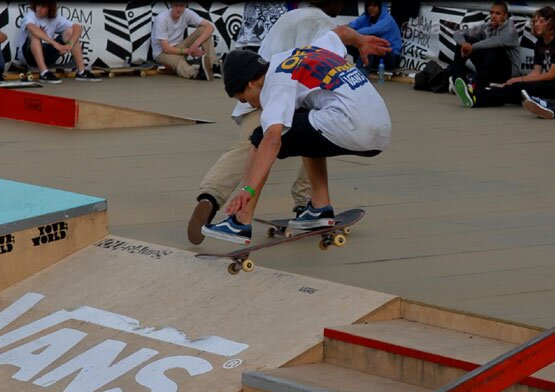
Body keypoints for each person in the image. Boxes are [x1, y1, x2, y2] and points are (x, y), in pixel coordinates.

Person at [186, 0, 386, 245]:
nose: (250, 104)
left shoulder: (277, 83)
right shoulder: (300, 54)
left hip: (350, 124)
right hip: (381, 128)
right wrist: (362, 41)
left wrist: (247, 191)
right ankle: (319, 207)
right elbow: (343, 33)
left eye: (243, 99)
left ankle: (240, 221)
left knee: (260, 139)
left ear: (250, 83)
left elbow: (271, 142)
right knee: (307, 124)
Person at [454, 6, 555, 108]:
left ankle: (477, 99)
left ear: (551, 22)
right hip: (548, 84)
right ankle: (475, 95)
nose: (537, 24)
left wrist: (520, 80)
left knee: (518, 88)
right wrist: (516, 79)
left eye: (541, 21)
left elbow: (551, 75)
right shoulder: (539, 43)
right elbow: (536, 73)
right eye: (535, 21)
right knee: (512, 89)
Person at [14, 0, 101, 83]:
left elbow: (78, 28)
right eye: (38, 4)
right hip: (28, 56)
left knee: (71, 32)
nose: (39, 9)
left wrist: (70, 44)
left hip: (48, 54)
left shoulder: (55, 18)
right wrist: (55, 44)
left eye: (43, 6)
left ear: (50, 8)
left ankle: (82, 72)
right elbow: (32, 29)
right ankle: (44, 73)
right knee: (34, 34)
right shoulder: (30, 15)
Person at [447, 1, 520, 90]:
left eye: (498, 13)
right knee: (465, 41)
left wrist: (472, 47)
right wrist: (464, 44)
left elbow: (495, 41)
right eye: (492, 12)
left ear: (505, 16)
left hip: (507, 73)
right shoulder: (487, 26)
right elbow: (458, 33)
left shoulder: (510, 29)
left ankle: (478, 86)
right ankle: (457, 81)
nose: (493, 16)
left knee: (495, 49)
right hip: (489, 68)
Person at [151, 1, 216, 81]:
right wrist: (190, 51)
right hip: (162, 53)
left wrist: (195, 45)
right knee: (178, 60)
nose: (179, 9)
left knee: (203, 30)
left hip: (179, 46)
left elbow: (210, 27)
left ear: (185, 6)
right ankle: (196, 73)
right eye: (176, 5)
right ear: (171, 5)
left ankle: (214, 67)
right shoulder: (161, 19)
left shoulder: (187, 13)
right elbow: (166, 49)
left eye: (181, 6)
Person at [347, 0, 402, 73]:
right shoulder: (366, 17)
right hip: (377, 54)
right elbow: (349, 26)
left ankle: (362, 72)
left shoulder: (388, 19)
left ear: (381, 7)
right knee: (348, 41)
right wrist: (344, 33)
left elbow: (372, 30)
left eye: (374, 6)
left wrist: (351, 34)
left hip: (391, 57)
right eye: (369, 5)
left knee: (368, 39)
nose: (371, 8)